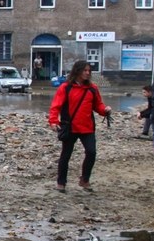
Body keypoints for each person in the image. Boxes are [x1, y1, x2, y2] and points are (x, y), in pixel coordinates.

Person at [48, 60, 112, 193]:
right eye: (85, 70)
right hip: (69, 126)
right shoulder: (65, 87)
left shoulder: (92, 88)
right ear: (77, 71)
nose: (87, 73)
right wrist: (53, 121)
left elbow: (98, 105)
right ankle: (61, 182)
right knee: (66, 155)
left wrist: (104, 110)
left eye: (89, 71)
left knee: (91, 152)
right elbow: (56, 106)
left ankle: (85, 179)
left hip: (87, 127)